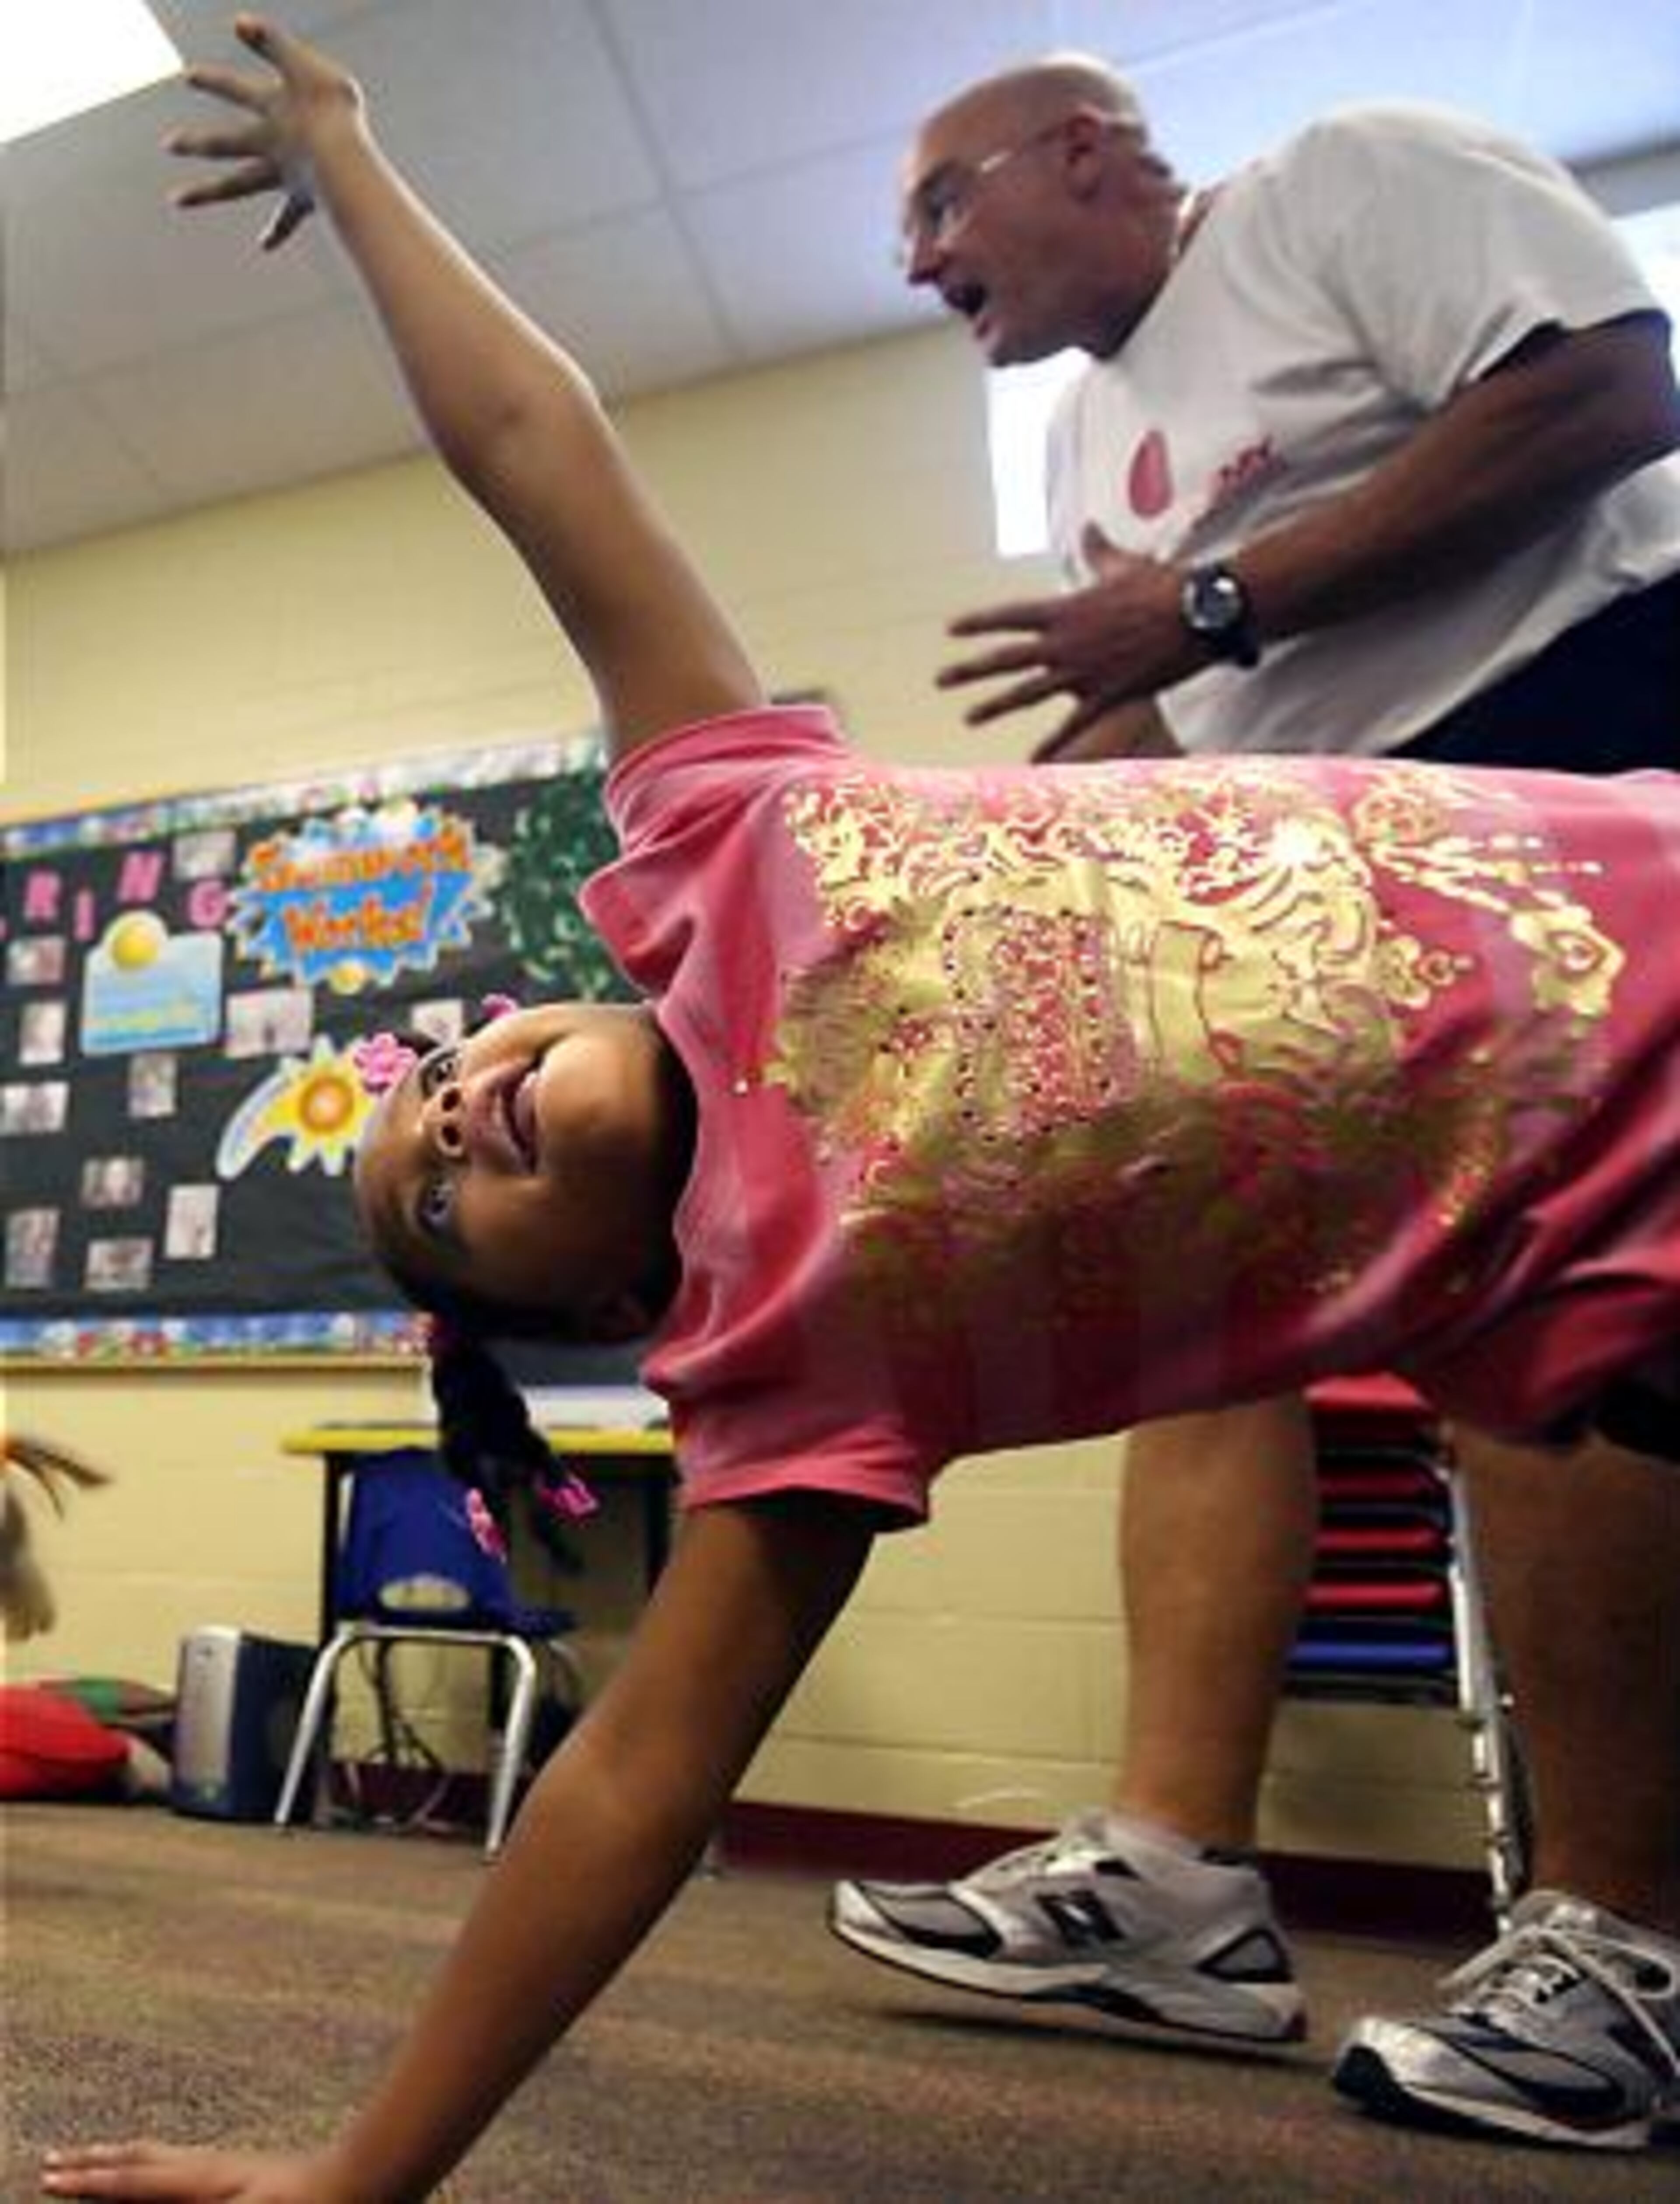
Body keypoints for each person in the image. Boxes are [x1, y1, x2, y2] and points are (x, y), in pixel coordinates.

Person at [39, 20, 1680, 2197]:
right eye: (437, 1199)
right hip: (1616, 1249)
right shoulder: (793, 1382)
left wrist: (350, 166)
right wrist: (360, 2180)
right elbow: (629, 1787)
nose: (446, 1120)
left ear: (557, 993)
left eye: (432, 1078)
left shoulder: (732, 852)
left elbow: (537, 444)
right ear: (613, 1303)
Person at [829, 52, 1680, 2151]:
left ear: (1095, 156)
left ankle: (1630, 1950)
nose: (918, 261)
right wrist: (944, 903)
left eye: (944, 208)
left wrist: (1213, 596)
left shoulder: (1346, 182)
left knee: (1556, 1347)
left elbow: (1611, 393)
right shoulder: (1095, 431)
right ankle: (1180, 1890)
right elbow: (1161, 707)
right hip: (1330, 858)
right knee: (1203, 1318)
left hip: (1573, 757)